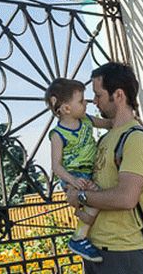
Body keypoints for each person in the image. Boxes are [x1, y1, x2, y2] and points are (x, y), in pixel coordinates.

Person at [66, 62, 143, 274]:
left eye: (99, 95)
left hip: (122, 252)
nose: (94, 101)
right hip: (97, 249)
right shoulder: (107, 138)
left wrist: (82, 196)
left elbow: (126, 198)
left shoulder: (136, 139)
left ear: (118, 95)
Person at [45, 77, 114, 262]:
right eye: (81, 100)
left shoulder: (86, 120)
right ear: (67, 108)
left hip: (91, 172)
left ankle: (82, 231)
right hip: (74, 176)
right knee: (98, 197)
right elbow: (56, 166)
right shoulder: (58, 135)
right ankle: (78, 237)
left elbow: (108, 124)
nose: (86, 103)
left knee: (97, 199)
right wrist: (72, 181)